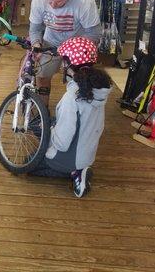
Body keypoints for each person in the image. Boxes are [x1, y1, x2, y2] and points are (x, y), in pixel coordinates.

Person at [29, 36, 112, 198]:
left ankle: (74, 173)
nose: (61, 66)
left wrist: (48, 129)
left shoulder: (71, 98)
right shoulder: (95, 90)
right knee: (47, 123)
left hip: (68, 157)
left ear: (69, 64)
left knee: (29, 162)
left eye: (63, 62)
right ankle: (79, 168)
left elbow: (62, 142)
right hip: (87, 153)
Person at [29, 0, 101, 107]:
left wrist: (72, 51)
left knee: (78, 82)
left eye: (59, 1)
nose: (53, 5)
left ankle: (75, 113)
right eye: (50, 0)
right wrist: (36, 43)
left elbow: (94, 33)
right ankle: (41, 114)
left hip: (77, 46)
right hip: (51, 42)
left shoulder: (84, 1)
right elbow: (35, 29)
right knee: (42, 75)